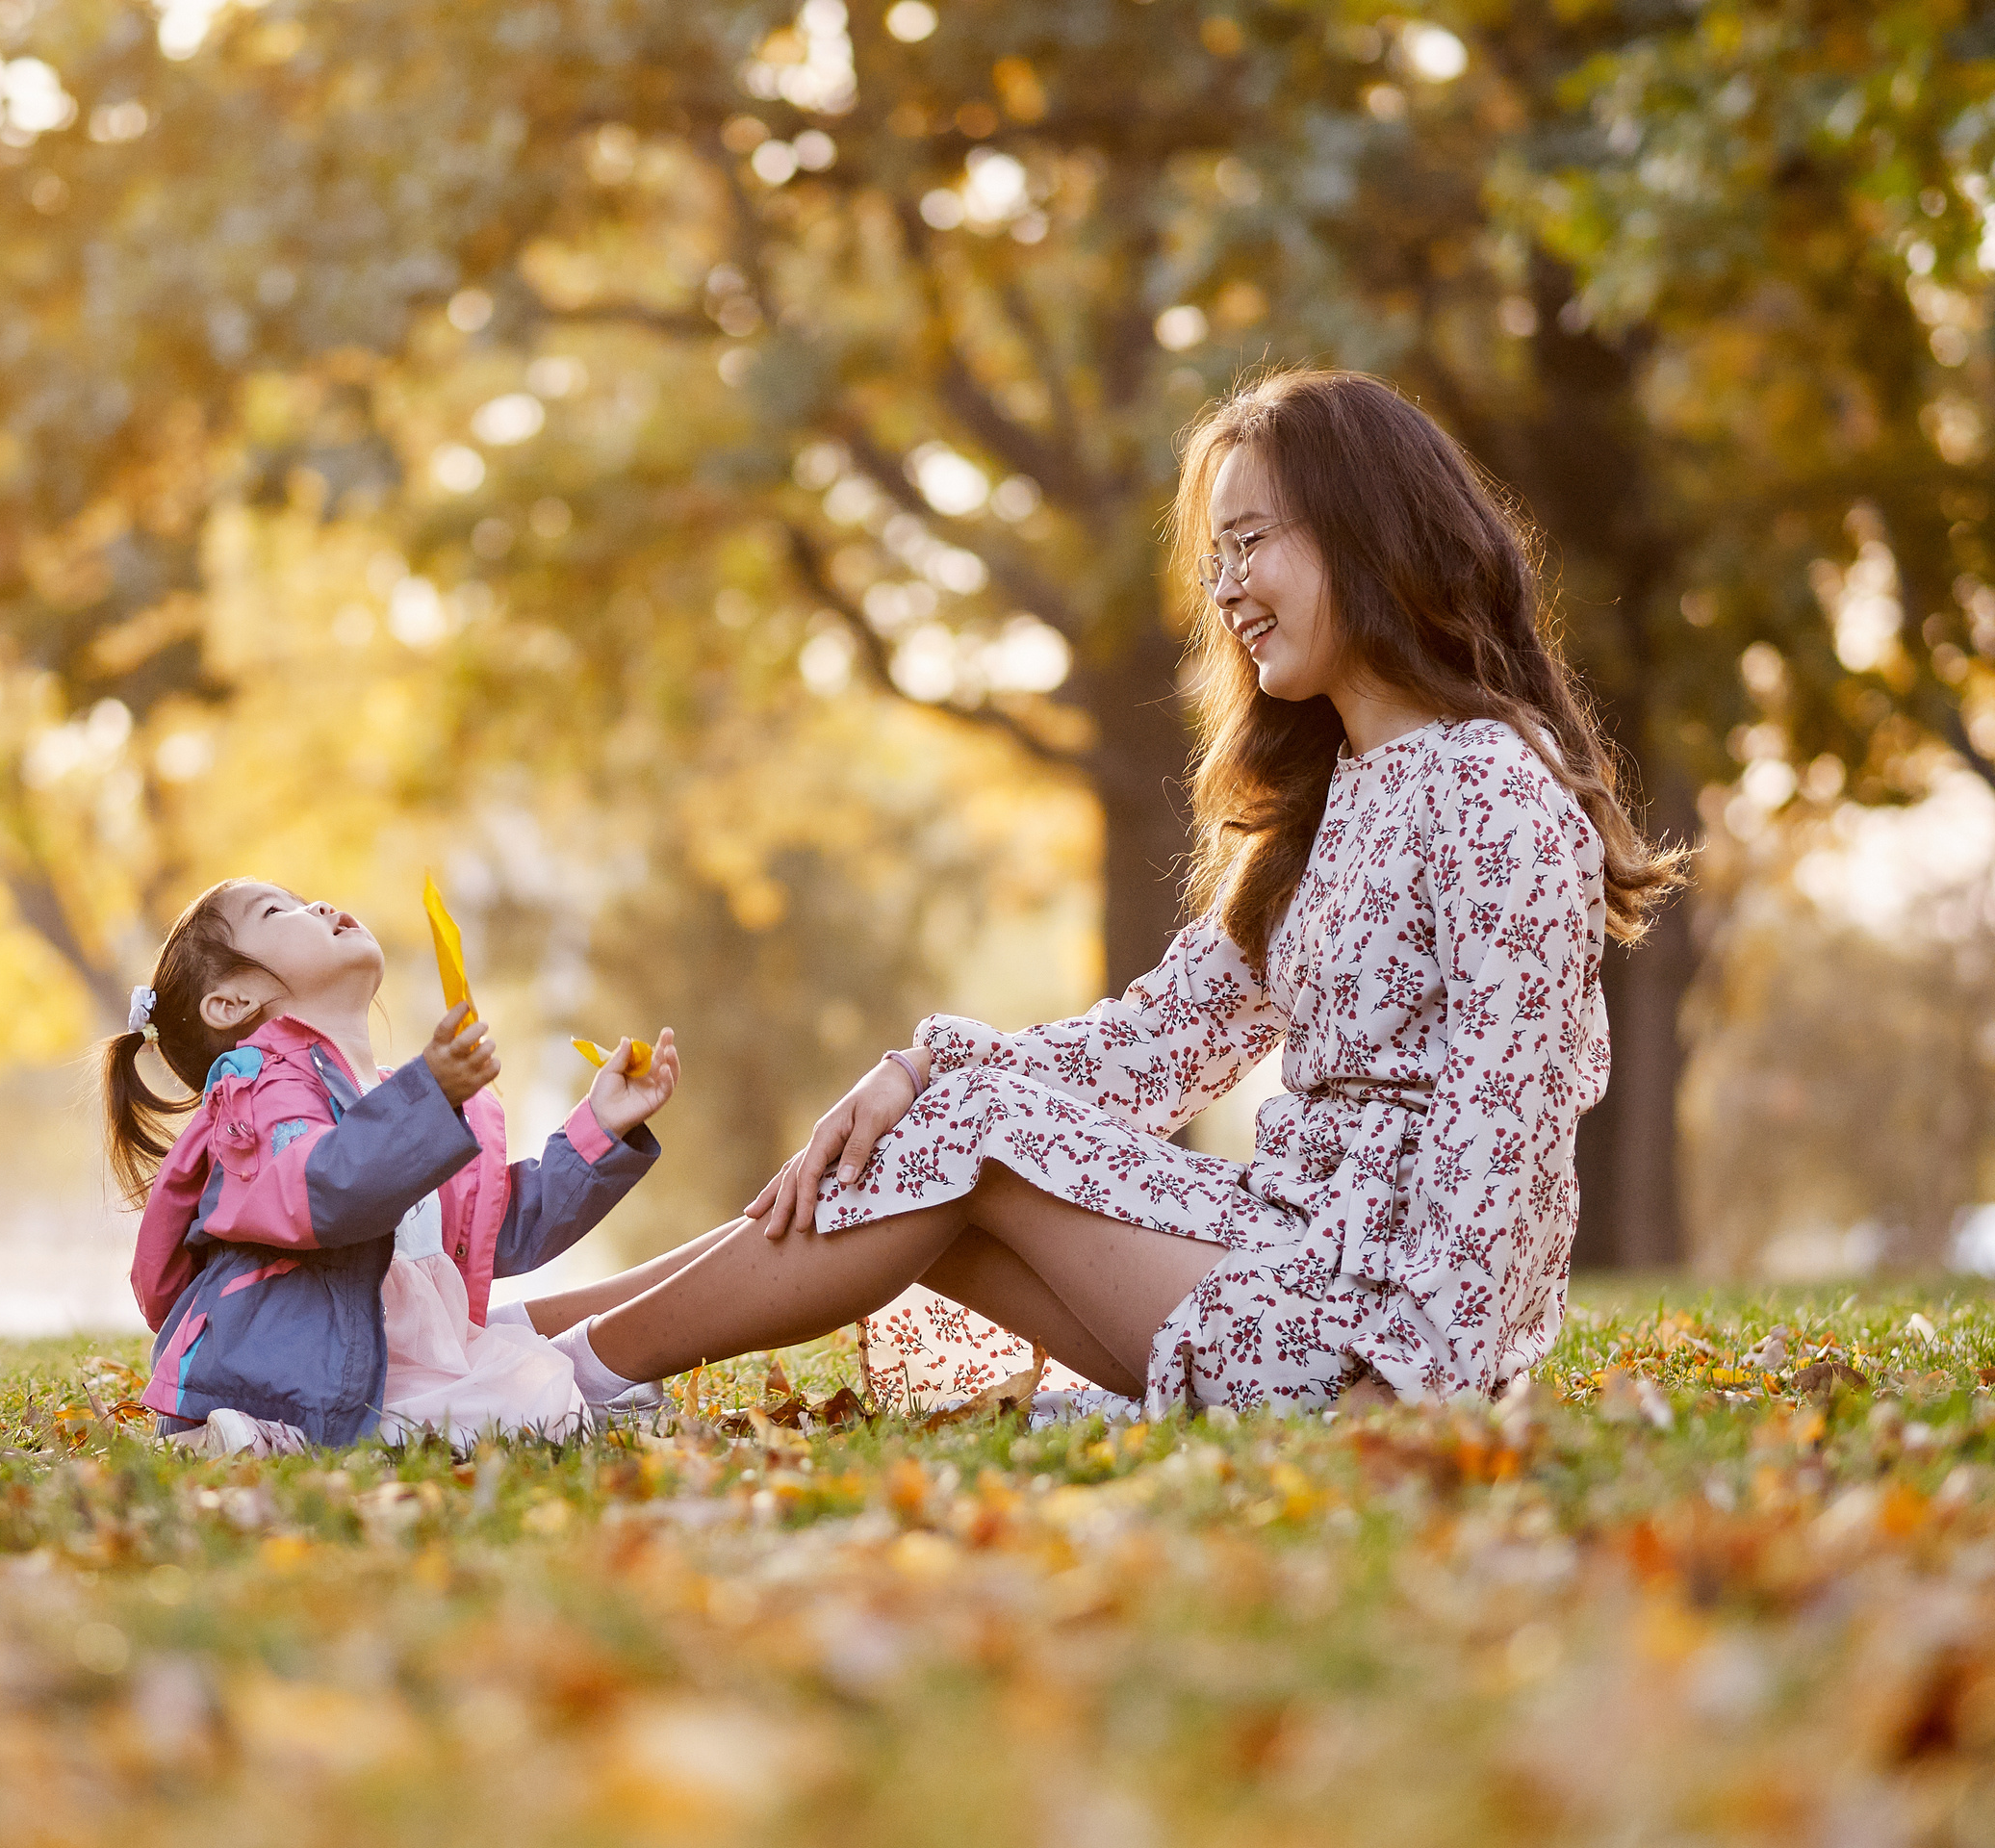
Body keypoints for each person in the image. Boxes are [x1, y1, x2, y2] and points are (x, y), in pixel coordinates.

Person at [509, 368, 1683, 1418]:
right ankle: (509, 1344)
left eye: (1250, 541)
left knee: (965, 1125)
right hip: (1277, 1254)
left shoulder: (1491, 789)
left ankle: (545, 1387)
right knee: (938, 1127)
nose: (1224, 590)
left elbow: (1506, 1122)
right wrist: (916, 1068)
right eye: (1213, 557)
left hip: (1365, 1336)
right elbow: (1155, 1047)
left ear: (1366, 532)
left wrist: (1420, 1384)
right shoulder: (1335, 803)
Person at [108, 878, 687, 1454]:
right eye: (276, 911)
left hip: (400, 1366)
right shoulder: (256, 1087)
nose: (321, 904)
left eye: (303, 897)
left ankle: (296, 1440)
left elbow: (499, 1229)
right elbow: (321, 1189)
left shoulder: (390, 1102)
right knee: (531, 1409)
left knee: (538, 1399)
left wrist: (601, 1129)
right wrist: (428, 1098)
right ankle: (259, 1432)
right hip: (306, 1377)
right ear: (233, 1001)